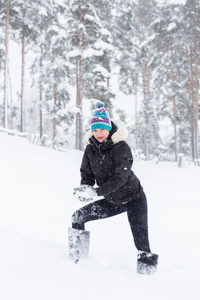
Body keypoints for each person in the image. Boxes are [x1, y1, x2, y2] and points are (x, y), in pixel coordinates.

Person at [68, 102, 158, 274]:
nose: (99, 133)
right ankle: (76, 262)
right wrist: (85, 189)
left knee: (142, 243)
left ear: (109, 128)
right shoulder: (90, 150)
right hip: (112, 200)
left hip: (134, 198)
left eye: (102, 129)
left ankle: (148, 278)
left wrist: (95, 192)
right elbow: (86, 174)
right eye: (95, 130)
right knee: (77, 217)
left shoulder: (121, 148)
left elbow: (121, 178)